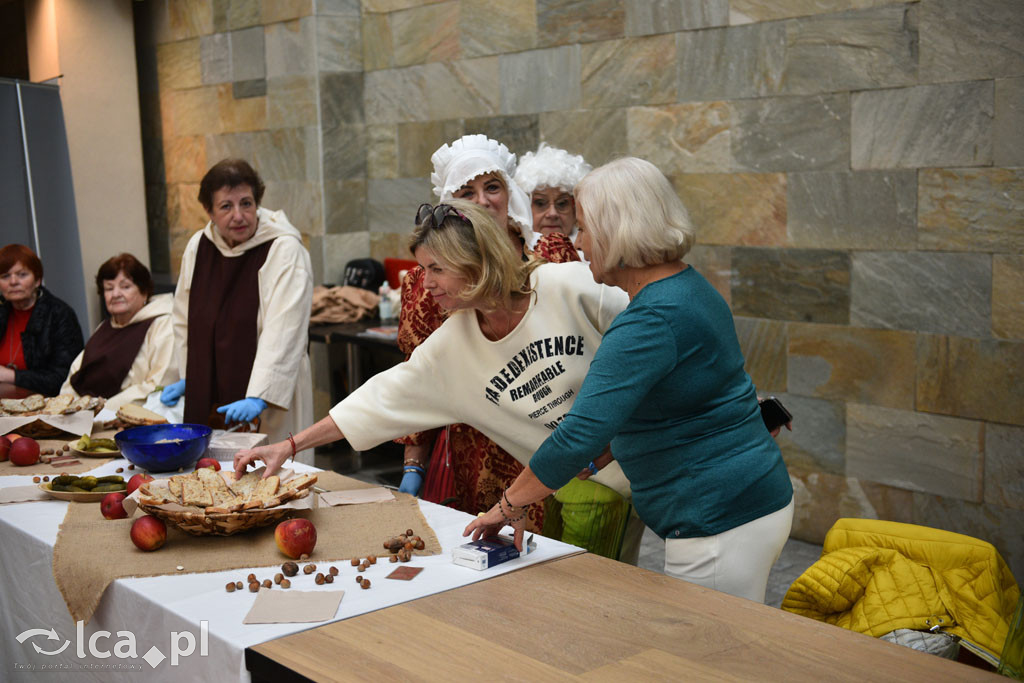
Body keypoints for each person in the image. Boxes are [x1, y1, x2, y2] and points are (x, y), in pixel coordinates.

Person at [465, 158, 795, 604]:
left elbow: (577, 435)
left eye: (583, 228)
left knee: (706, 660)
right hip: (748, 499)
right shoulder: (686, 285)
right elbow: (671, 403)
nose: (578, 243)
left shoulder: (650, 320)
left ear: (615, 231)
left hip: (719, 517)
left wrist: (507, 507)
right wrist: (602, 457)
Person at [234, 200, 632, 531]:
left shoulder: (572, 287)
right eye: (423, 269)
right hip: (593, 494)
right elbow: (375, 401)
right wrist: (289, 446)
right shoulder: (449, 350)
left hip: (664, 461)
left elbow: (666, 340)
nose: (426, 284)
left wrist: (621, 433)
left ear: (477, 261)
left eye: (437, 268)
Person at [395, 134, 581, 535]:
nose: (483, 201)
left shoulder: (551, 254)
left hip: (560, 440)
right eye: (467, 191)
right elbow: (418, 377)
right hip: (477, 446)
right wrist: (414, 464)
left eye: (492, 187)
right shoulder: (425, 280)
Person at [160, 159, 314, 445]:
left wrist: (260, 394)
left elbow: (285, 327)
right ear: (208, 211)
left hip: (268, 400)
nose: (239, 216)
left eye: (246, 203)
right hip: (209, 386)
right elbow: (183, 319)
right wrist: (188, 374)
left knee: (270, 479)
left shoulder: (283, 248)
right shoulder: (199, 247)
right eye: (226, 206)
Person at [60, 253, 176, 411]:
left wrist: (102, 410)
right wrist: (65, 407)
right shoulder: (105, 327)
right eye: (109, 288)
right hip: (87, 417)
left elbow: (159, 384)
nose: (115, 294)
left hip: (136, 418)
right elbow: (76, 375)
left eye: (125, 286)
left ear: (144, 291)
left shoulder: (163, 324)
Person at [0, 244, 83, 396]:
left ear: (37, 280)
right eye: (5, 276)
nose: (13, 282)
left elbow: (64, 378)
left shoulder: (60, 314)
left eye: (22, 275)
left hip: (46, 406)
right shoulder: (2, 311)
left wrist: (11, 376)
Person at [514, 142, 591, 246]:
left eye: (562, 203)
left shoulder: (592, 256)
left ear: (576, 210)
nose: (552, 213)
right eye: (540, 203)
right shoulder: (511, 255)